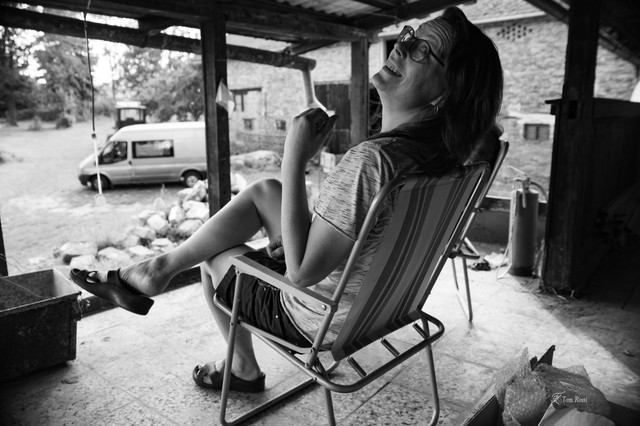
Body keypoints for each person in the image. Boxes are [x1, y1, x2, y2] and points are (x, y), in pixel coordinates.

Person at [70, 6, 503, 393]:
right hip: (379, 305)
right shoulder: (443, 161)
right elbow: (370, 238)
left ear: (446, 93)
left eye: (422, 50)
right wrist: (300, 229)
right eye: (409, 36)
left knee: (212, 254)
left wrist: (294, 156)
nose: (401, 47)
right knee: (265, 192)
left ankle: (240, 365)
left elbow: (301, 273)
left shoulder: (373, 163)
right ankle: (156, 270)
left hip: (314, 317)